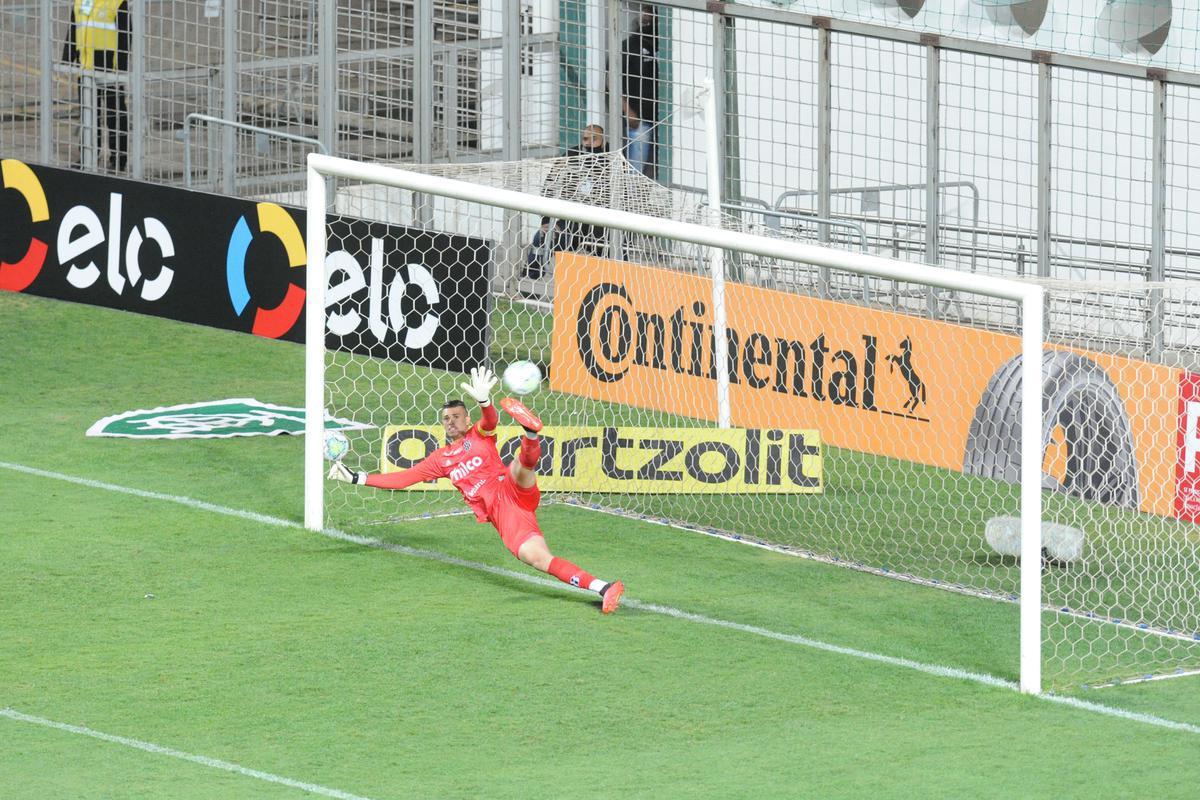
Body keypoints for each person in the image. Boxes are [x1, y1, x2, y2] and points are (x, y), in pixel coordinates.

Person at [328, 366, 626, 614]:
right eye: (446, 418)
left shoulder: (479, 435)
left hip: (508, 489)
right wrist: (358, 478)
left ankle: (531, 435)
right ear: (442, 425)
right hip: (506, 514)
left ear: (467, 419)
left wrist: (485, 402)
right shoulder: (440, 460)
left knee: (521, 468)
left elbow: (491, 421)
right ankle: (604, 588)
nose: (452, 421)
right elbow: (404, 479)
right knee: (538, 559)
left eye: (457, 416)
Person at [525, 123, 610, 281]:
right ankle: (531, 281)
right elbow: (549, 185)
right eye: (585, 139)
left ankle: (613, 281)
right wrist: (547, 220)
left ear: (603, 140)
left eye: (594, 139)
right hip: (571, 219)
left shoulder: (611, 156)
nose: (589, 143)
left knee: (613, 246)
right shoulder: (571, 154)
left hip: (601, 220)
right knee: (541, 237)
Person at [63, 0, 131, 172]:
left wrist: (120, 68)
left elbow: (125, 35)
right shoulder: (80, 2)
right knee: (88, 114)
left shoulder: (117, 3)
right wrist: (67, 59)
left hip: (109, 68)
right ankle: (88, 156)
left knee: (114, 114)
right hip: (86, 67)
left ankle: (118, 159)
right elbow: (73, 29)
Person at [621, 5, 659, 178]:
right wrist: (628, 112)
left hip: (660, 119)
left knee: (653, 169)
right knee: (635, 171)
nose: (646, 18)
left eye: (650, 14)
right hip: (639, 120)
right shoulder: (629, 46)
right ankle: (632, 201)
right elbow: (610, 80)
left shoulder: (658, 47)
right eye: (644, 13)